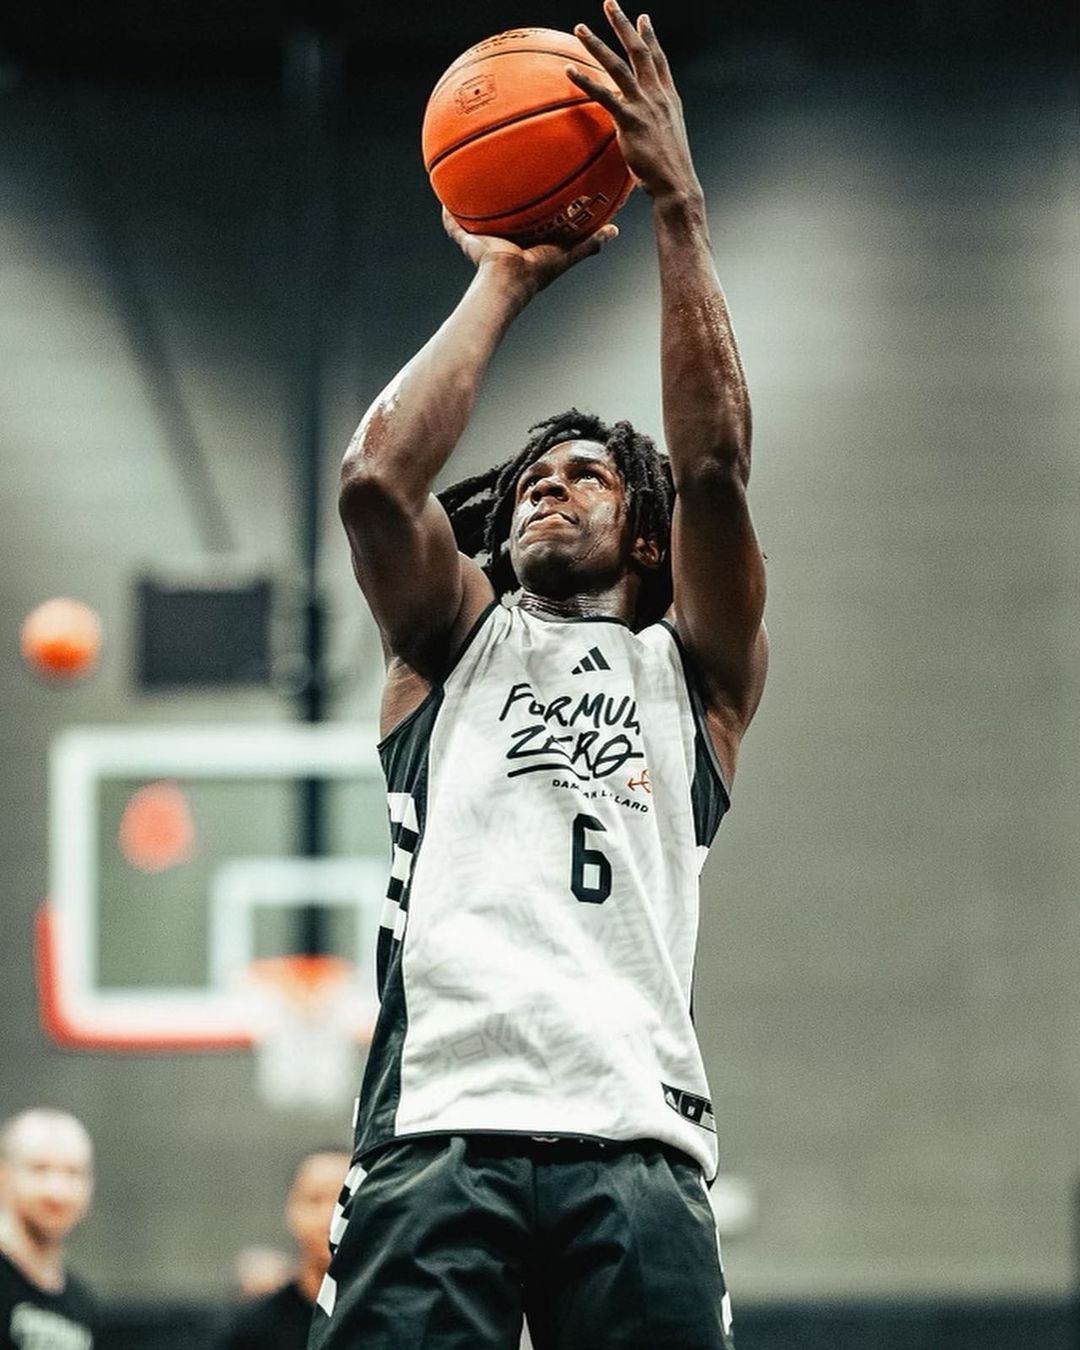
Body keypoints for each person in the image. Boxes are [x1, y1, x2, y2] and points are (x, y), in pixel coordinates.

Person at [313, 3, 767, 1347]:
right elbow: (374, 483)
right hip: (439, 1126)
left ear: (645, 532)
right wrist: (505, 279)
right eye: (523, 483)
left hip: (638, 1138)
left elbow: (718, 465)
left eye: (580, 477)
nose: (541, 491)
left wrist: (679, 207)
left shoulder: (697, 674)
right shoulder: (451, 641)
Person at [215, 1147, 350, 1350]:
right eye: (314, 1200)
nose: (329, 1216)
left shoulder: (392, 1317)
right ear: (291, 1210)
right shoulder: (254, 1330)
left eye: (343, 1202)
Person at [0, 1109, 97, 1350]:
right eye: (40, 1169)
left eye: (73, 1173)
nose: (57, 1190)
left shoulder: (81, 1303)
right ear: (4, 1177)